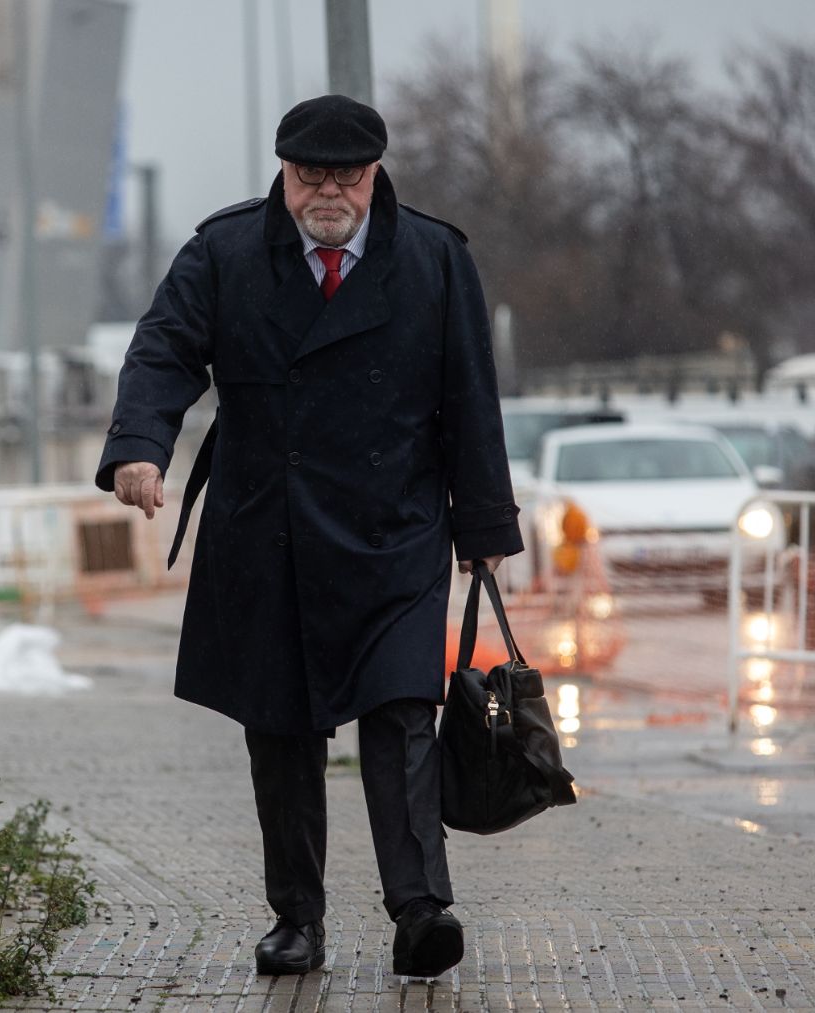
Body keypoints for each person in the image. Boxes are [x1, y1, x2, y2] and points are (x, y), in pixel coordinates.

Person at [95, 94, 521, 979]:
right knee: (280, 727)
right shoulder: (225, 252)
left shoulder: (436, 259)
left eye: (348, 175)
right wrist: (140, 448)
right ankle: (298, 918)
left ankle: (420, 909)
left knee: (404, 710)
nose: (329, 191)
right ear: (284, 172)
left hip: (395, 528)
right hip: (267, 527)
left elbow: (471, 399)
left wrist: (484, 525)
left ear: (376, 173)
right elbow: (163, 348)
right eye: (309, 175)